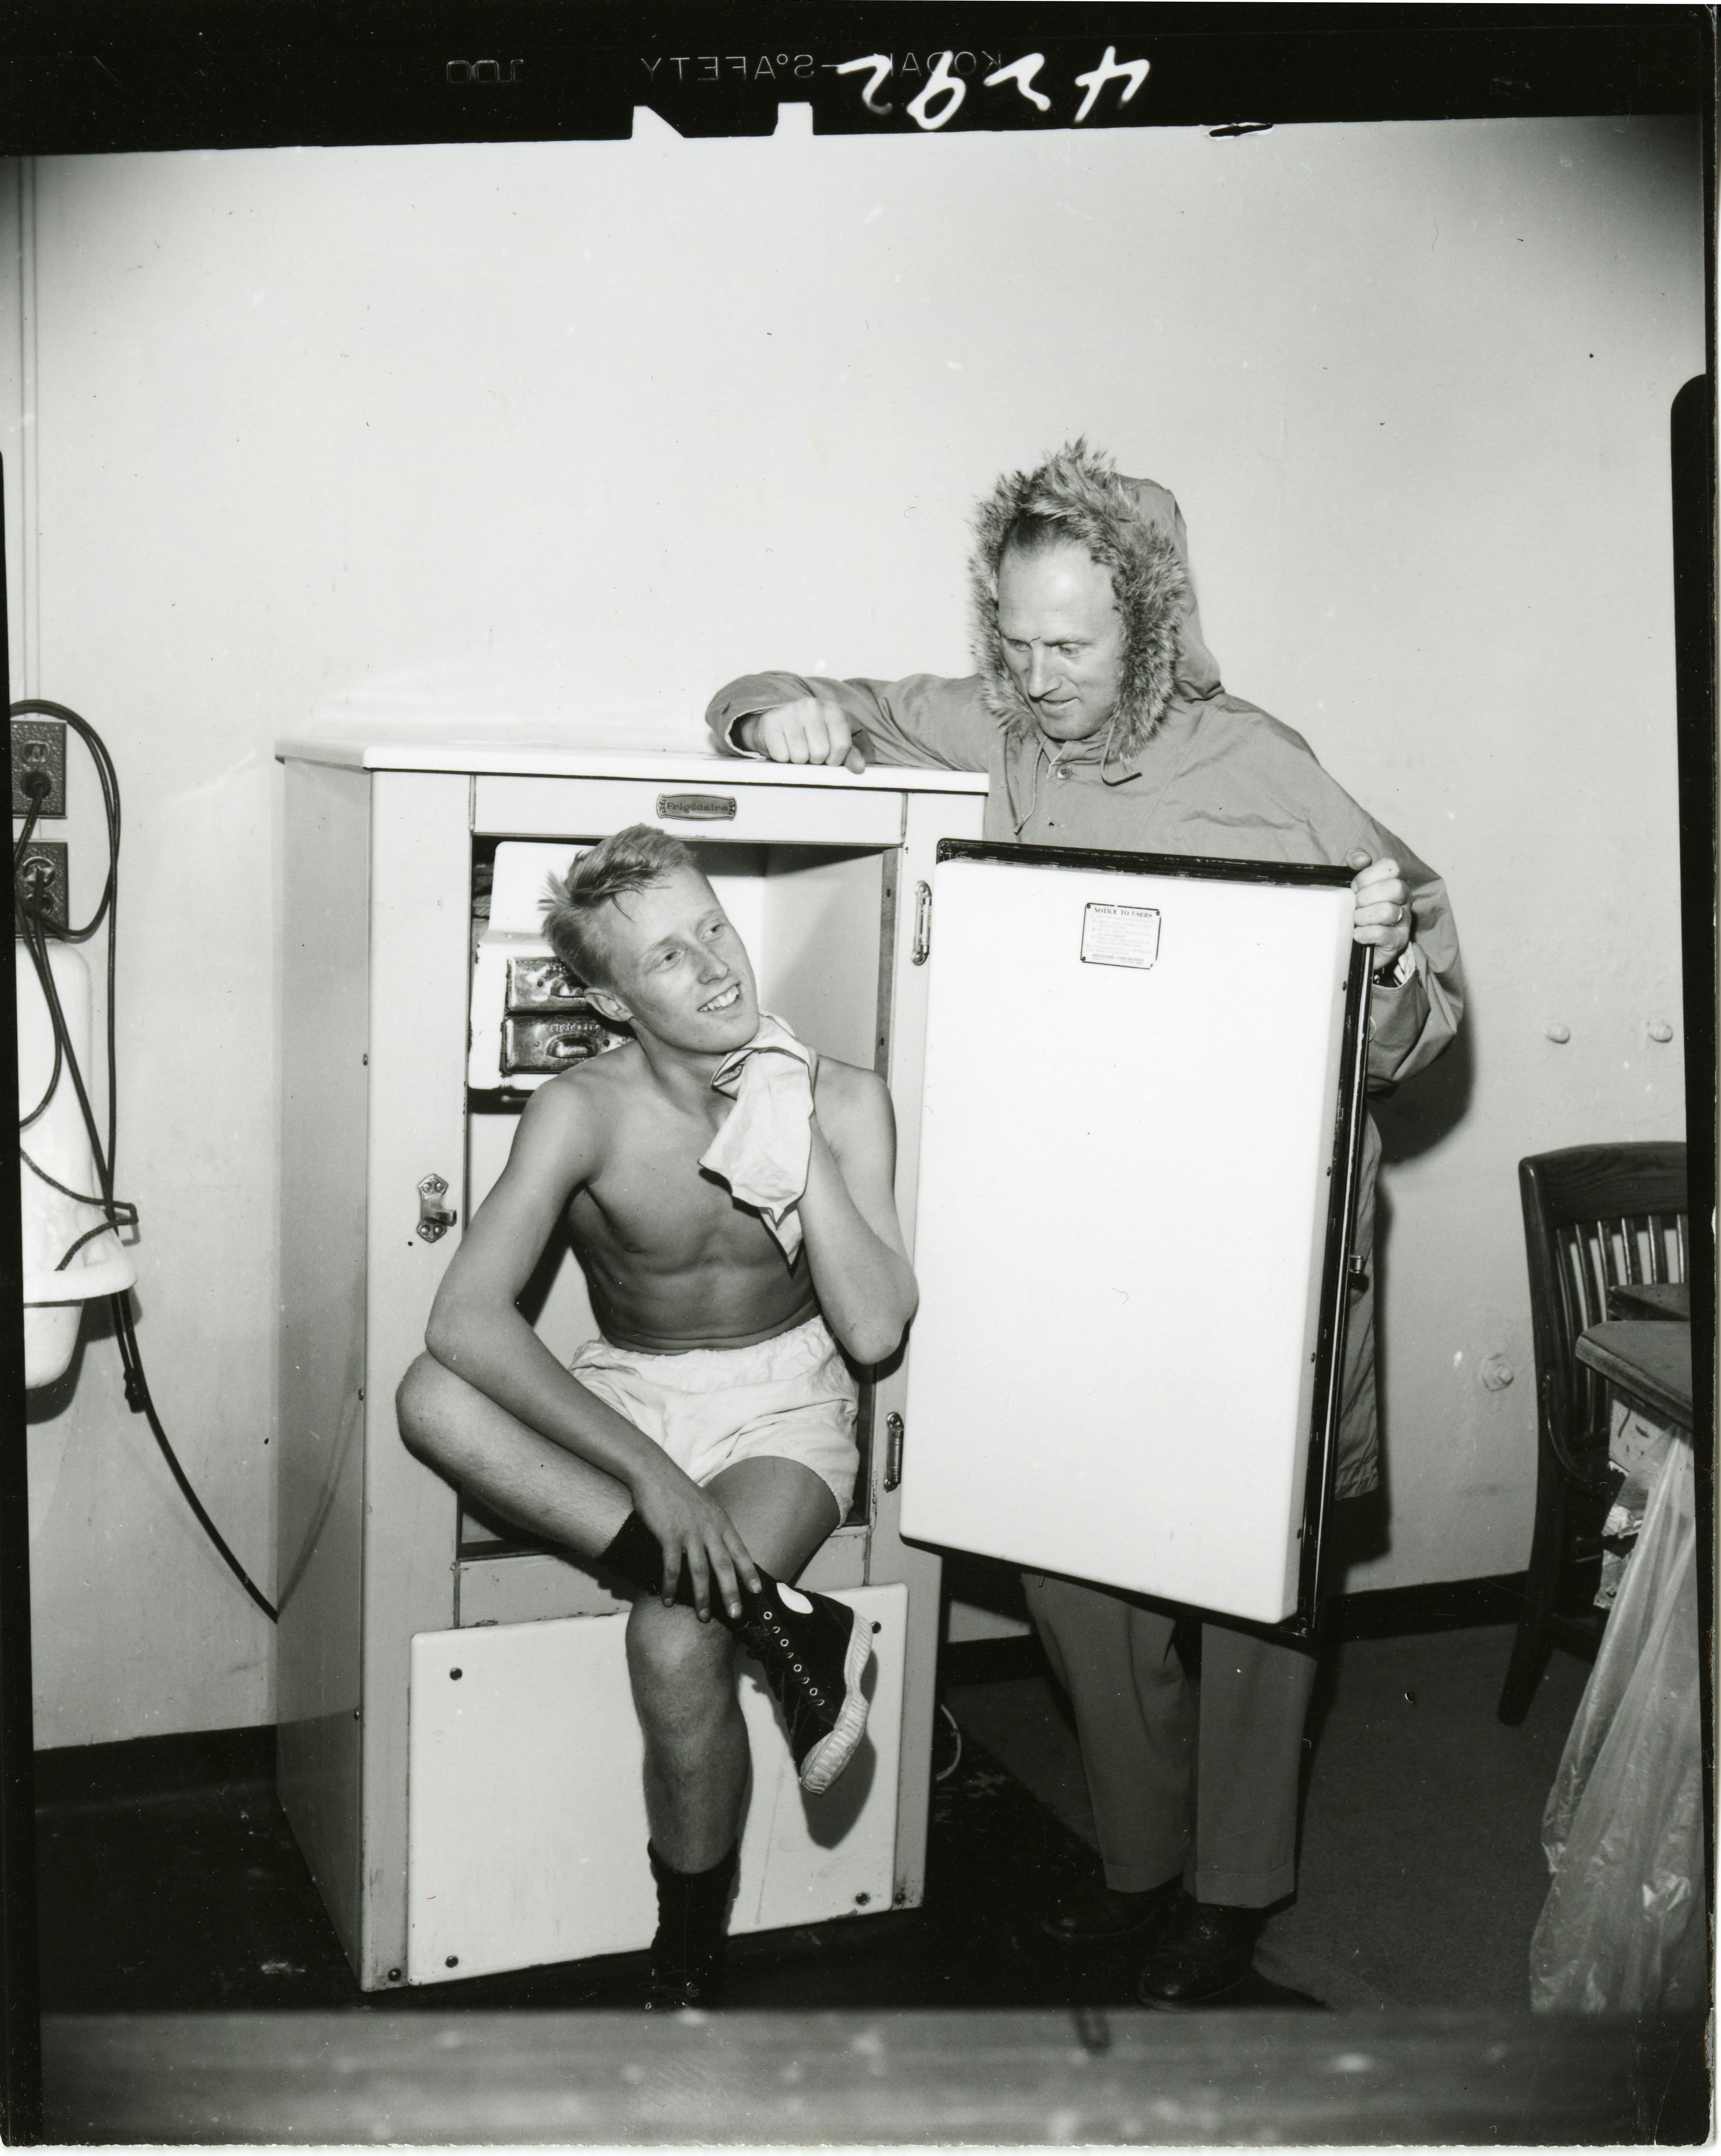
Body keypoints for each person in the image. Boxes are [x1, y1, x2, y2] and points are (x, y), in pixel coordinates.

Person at [705, 440, 1465, 2009]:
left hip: (1263, 1255)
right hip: (1086, 1237)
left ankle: (1233, 1895)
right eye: (1018, 638)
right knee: (1076, 1571)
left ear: (1155, 631)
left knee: (1259, 1584)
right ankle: (1134, 1863)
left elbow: (1425, 1005)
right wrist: (765, 705)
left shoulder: (1269, 764)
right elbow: (787, 689)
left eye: (1075, 646)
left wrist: (1386, 954)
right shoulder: (992, 720)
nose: (1039, 678)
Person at [397, 825, 917, 2010]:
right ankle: (787, 1624)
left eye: (715, 930)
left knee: (674, 1639)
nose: (718, 967)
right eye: (670, 957)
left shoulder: (845, 1095)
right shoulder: (582, 1111)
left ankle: (686, 1963)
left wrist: (796, 1136)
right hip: (633, 1394)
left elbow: (878, 1329)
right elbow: (464, 1322)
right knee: (430, 1399)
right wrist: (651, 1474)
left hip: (784, 1402)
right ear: (609, 999)